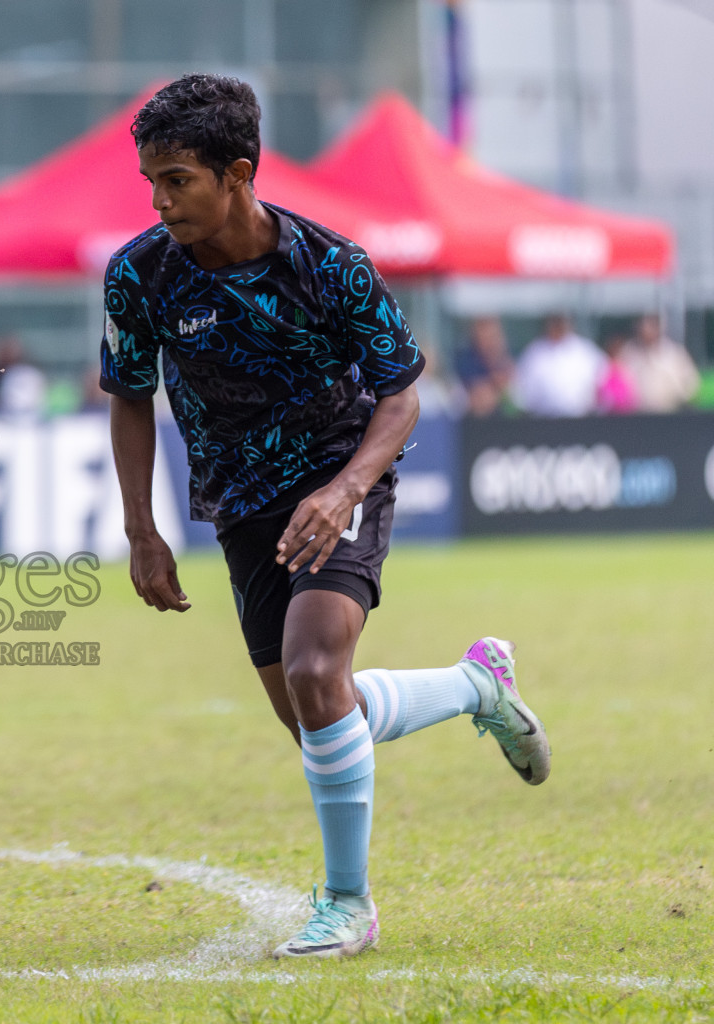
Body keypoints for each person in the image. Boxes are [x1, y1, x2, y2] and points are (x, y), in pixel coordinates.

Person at [100, 75, 551, 959]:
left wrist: (346, 487)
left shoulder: (329, 264)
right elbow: (128, 397)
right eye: (150, 180)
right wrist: (141, 530)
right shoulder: (138, 273)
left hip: (340, 477)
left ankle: (348, 906)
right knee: (315, 714)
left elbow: (401, 394)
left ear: (238, 172)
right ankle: (476, 686)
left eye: (178, 179)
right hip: (238, 504)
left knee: (315, 672)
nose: (160, 200)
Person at [511, 314, 605, 417]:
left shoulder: (586, 350)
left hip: (582, 421)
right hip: (543, 422)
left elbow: (604, 382)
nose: (558, 325)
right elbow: (522, 394)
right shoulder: (534, 352)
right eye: (554, 321)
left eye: (561, 320)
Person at [623, 313, 698, 413]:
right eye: (642, 325)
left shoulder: (674, 353)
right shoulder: (629, 352)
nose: (645, 329)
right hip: (637, 416)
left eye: (650, 325)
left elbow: (691, 386)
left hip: (670, 415)